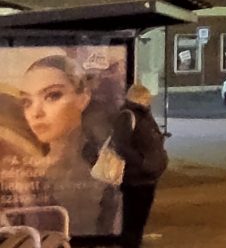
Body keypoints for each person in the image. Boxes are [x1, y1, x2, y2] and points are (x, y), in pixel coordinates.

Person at [19, 54, 116, 236]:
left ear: (83, 98)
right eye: (27, 102)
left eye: (52, 96)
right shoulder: (25, 169)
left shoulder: (102, 164)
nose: (36, 112)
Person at [111, 84, 167, 248]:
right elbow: (121, 145)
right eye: (146, 97)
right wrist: (142, 161)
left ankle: (134, 243)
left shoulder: (144, 115)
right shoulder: (127, 115)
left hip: (148, 176)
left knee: (140, 219)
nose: (149, 101)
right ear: (138, 98)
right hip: (135, 178)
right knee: (133, 220)